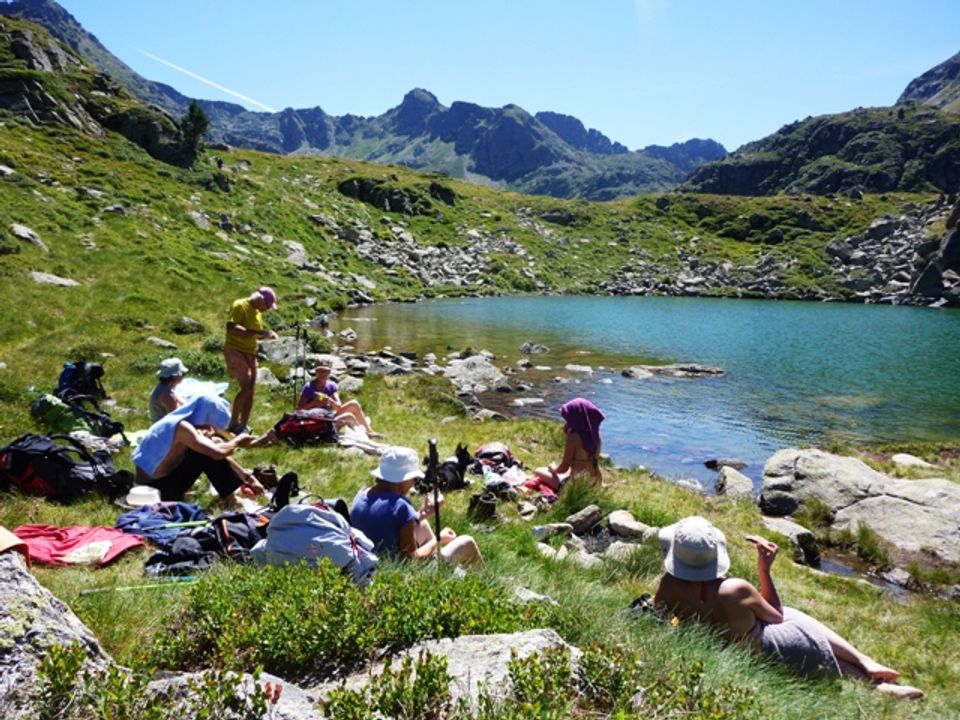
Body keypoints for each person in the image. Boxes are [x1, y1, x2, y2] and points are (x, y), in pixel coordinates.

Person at [652, 516, 923, 699]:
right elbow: (776, 616)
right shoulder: (735, 589)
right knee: (793, 616)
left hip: (728, 649)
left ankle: (879, 684)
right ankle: (867, 666)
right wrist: (764, 569)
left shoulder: (667, 585)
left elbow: (665, 616)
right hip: (769, 648)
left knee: (819, 651)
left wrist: (689, 624)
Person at [350, 446, 483, 568]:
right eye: (414, 479)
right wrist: (439, 538)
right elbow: (411, 559)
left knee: (423, 523)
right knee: (467, 542)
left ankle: (441, 560)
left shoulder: (361, 495)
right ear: (403, 480)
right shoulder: (401, 506)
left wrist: (422, 514)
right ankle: (484, 583)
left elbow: (387, 524)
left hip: (366, 563)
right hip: (398, 572)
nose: (413, 484)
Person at [132, 394, 265, 505]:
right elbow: (216, 454)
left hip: (149, 486)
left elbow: (214, 448)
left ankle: (232, 494)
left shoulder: (174, 421)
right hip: (157, 490)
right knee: (206, 453)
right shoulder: (182, 428)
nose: (209, 429)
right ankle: (231, 500)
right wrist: (236, 442)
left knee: (212, 444)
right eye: (209, 423)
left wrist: (249, 478)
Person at [223, 286, 279, 435]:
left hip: (250, 353)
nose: (266, 309)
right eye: (267, 305)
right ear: (260, 299)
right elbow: (231, 328)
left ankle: (243, 425)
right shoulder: (240, 305)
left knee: (251, 390)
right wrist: (260, 333)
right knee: (246, 387)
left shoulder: (257, 312)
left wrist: (265, 335)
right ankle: (233, 423)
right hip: (235, 350)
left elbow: (252, 334)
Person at [527, 397, 605, 495]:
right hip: (595, 483)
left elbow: (563, 467)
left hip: (575, 486)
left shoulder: (574, 436)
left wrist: (553, 469)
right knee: (570, 471)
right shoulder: (596, 436)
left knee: (538, 471)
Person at [297, 357, 382, 437]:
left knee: (354, 404)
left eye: (326, 371)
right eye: (320, 371)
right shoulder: (309, 387)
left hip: (329, 416)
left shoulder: (331, 386)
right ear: (316, 372)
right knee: (349, 416)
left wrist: (329, 400)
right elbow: (299, 410)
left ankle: (370, 432)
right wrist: (314, 403)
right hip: (316, 419)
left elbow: (338, 407)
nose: (323, 374)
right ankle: (365, 434)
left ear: (329, 372)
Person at [149, 357, 188, 422]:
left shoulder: (162, 388)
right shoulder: (167, 395)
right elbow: (175, 420)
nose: (183, 376)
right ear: (175, 376)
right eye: (183, 374)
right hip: (163, 430)